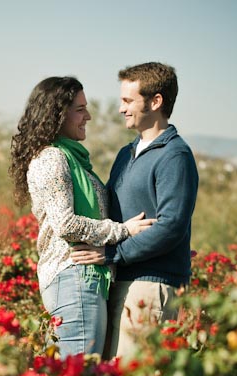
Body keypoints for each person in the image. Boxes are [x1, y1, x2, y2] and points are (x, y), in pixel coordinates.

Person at [9, 76, 155, 358]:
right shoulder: (52, 158)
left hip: (82, 280)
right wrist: (124, 230)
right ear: (57, 114)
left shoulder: (71, 159)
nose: (88, 116)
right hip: (74, 278)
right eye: (80, 109)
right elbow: (66, 224)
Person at [72, 62, 199, 359]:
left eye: (128, 101)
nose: (120, 109)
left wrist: (111, 254)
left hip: (150, 287)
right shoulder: (125, 154)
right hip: (121, 282)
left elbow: (170, 227)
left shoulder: (174, 156)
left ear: (156, 102)